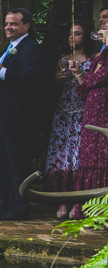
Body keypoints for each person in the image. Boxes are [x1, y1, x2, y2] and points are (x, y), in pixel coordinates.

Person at [0, 8, 45, 220]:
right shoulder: (11, 47)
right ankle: (8, 205)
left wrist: (1, 72)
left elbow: (31, 78)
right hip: (3, 116)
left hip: (18, 118)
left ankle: (19, 209)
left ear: (26, 25)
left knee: (17, 166)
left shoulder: (31, 48)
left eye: (13, 24)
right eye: (6, 23)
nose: (8, 27)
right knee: (4, 165)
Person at [45, 22, 97, 219]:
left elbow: (92, 88)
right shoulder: (62, 60)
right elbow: (54, 92)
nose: (72, 37)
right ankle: (62, 201)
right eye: (70, 34)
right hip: (62, 115)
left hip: (82, 114)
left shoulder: (93, 60)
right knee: (61, 160)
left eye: (77, 33)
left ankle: (79, 202)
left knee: (78, 160)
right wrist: (56, 80)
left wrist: (78, 73)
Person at [72, 23, 108, 205]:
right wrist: (78, 73)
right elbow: (84, 88)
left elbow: (97, 78)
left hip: (104, 112)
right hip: (91, 110)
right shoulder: (99, 58)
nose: (103, 30)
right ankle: (86, 207)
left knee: (102, 157)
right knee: (89, 157)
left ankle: (101, 209)